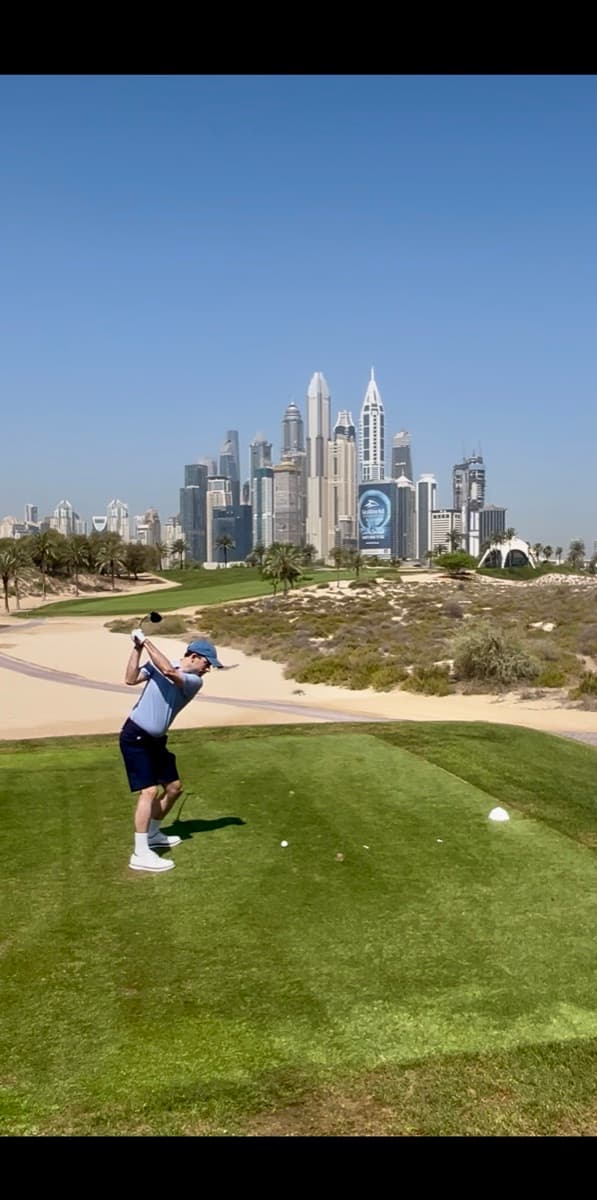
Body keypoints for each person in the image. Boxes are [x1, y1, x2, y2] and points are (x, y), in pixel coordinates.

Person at [119, 630, 223, 873]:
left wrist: (146, 641)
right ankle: (140, 852)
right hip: (135, 736)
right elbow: (130, 679)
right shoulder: (160, 664)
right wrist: (137, 647)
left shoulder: (194, 681)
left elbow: (168, 671)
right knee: (149, 791)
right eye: (208, 664)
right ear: (195, 657)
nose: (208, 670)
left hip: (157, 741)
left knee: (174, 788)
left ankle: (153, 833)